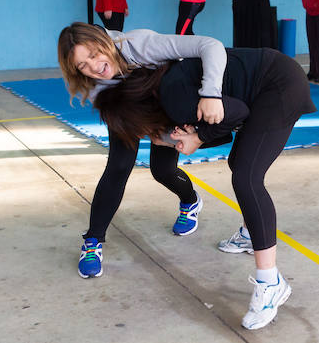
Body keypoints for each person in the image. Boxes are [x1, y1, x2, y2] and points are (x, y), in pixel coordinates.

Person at [93, 46, 316, 329]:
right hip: (268, 78)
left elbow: (237, 112)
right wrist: (189, 137)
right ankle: (251, 233)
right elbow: (224, 123)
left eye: (135, 130)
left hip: (279, 84)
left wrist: (197, 137)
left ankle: (270, 282)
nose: (141, 136)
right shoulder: (166, 94)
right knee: (241, 163)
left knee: (247, 178)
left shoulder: (175, 100)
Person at [56, 23, 228, 281]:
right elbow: (126, 116)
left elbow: (210, 45)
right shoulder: (96, 86)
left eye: (93, 54)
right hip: (126, 108)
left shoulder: (141, 45)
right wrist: (147, 133)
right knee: (118, 166)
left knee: (162, 170)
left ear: (104, 42)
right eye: (82, 65)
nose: (93, 67)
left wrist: (210, 94)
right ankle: (93, 242)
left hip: (165, 101)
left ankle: (190, 200)